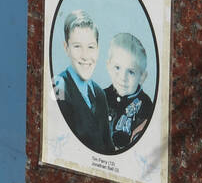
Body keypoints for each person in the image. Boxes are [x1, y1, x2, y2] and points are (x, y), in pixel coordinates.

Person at [52, 10, 112, 154]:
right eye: (77, 46)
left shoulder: (99, 93)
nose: (85, 56)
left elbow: (108, 147)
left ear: (98, 49)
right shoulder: (58, 86)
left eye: (91, 47)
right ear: (66, 48)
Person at [103, 33, 154, 152]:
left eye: (131, 72)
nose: (123, 77)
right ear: (108, 66)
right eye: (117, 68)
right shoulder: (101, 96)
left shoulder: (145, 105)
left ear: (142, 76)